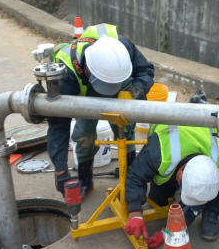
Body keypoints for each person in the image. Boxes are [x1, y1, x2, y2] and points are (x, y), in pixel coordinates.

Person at [48, 24, 155, 198]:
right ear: (88, 67)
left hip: (123, 83)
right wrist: (60, 170)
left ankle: (129, 181)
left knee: (125, 128)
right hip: (84, 90)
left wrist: (139, 88)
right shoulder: (67, 73)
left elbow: (145, 69)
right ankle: (85, 181)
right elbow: (58, 124)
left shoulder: (121, 47)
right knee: (84, 133)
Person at [123, 124, 219, 245]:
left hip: (200, 134)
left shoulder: (218, 162)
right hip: (168, 135)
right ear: (179, 174)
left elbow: (195, 202)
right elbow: (135, 176)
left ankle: (213, 210)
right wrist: (135, 214)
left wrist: (167, 233)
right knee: (157, 200)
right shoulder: (158, 153)